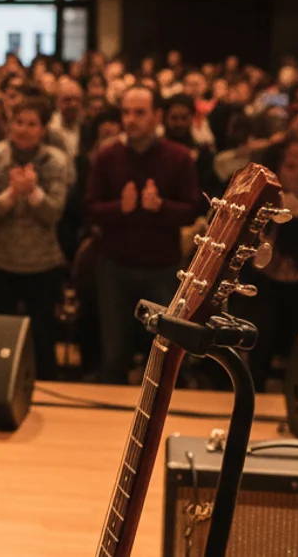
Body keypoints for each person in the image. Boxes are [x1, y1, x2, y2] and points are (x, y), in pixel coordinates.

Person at [85, 86, 200, 384]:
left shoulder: (178, 157)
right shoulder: (107, 157)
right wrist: (118, 208)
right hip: (114, 265)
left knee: (162, 354)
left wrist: (160, 206)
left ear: (157, 116)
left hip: (161, 268)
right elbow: (89, 209)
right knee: (113, 354)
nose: (131, 120)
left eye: (139, 113)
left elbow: (192, 210)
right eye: (126, 112)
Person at [0, 98, 70, 379]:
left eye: (32, 124)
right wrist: (12, 194)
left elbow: (53, 212)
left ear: (43, 129)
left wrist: (32, 193)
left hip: (42, 263)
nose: (24, 129)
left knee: (43, 340)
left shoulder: (55, 160)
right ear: (9, 125)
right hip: (0, 260)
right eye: (19, 122)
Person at [234, 130, 298, 390]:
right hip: (266, 274)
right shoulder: (270, 183)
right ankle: (251, 393)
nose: (295, 158)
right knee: (261, 338)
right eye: (291, 154)